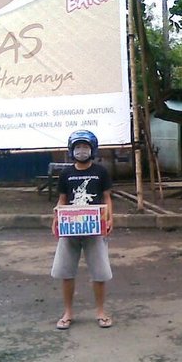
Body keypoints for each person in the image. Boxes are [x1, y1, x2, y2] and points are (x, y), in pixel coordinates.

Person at [50, 129, 114, 330]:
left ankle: (101, 312)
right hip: (70, 229)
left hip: (94, 229)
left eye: (85, 146)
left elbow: (107, 198)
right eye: (77, 146)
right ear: (71, 150)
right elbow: (62, 200)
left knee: (99, 273)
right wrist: (56, 218)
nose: (81, 150)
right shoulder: (66, 174)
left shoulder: (101, 172)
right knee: (66, 272)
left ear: (92, 149)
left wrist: (110, 218)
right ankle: (68, 312)